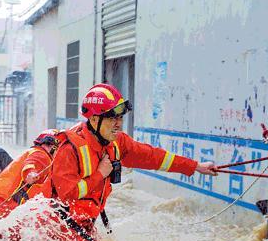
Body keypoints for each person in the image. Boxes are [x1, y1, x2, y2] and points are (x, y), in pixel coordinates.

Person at [51, 83, 217, 233]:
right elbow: (66, 194)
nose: (118, 124)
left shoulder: (116, 142)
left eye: (120, 118)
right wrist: (100, 174)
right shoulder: (69, 148)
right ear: (94, 119)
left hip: (82, 225)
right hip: (58, 225)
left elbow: (152, 156)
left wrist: (195, 166)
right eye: (111, 118)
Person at [0, 129, 60, 216]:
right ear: (53, 147)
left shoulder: (32, 152)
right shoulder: (41, 154)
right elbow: (32, 163)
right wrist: (31, 173)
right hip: (8, 203)